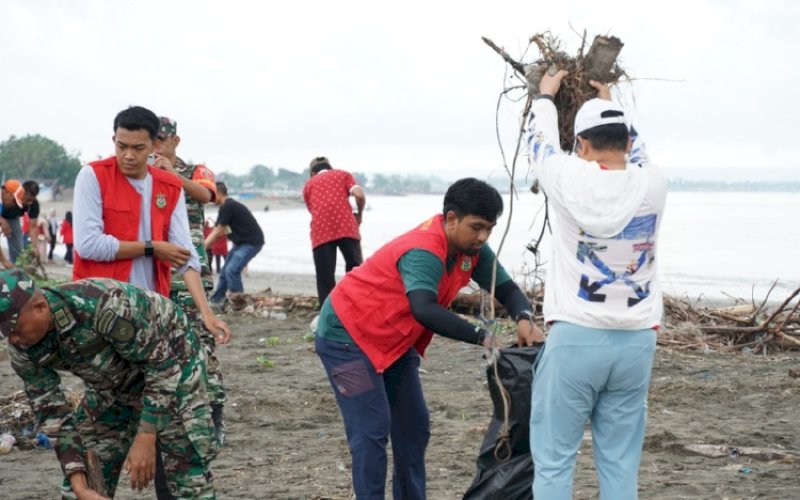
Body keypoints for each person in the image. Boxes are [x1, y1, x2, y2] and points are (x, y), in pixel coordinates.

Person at [315, 178, 543, 499]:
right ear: (451, 218)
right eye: (477, 227)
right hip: (344, 341)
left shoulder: (472, 250)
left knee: (414, 427)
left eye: (489, 229)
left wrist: (524, 319)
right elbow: (424, 309)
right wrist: (483, 337)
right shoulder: (423, 251)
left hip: (394, 341)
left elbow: (506, 290)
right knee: (371, 430)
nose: (483, 236)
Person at [72, 105, 231, 499]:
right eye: (122, 145)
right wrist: (149, 248)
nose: (129, 155)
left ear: (156, 144)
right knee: (103, 424)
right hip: (101, 316)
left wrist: (207, 314)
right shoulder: (92, 175)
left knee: (169, 416)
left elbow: (186, 255)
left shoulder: (170, 184)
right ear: (113, 140)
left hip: (152, 316)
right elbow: (89, 243)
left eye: (138, 147)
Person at [525, 72, 667, 499]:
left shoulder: (566, 176)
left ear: (581, 145)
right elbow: (636, 152)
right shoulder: (654, 183)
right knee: (621, 466)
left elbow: (540, 145)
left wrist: (545, 98)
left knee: (553, 462)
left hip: (576, 336)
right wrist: (612, 102)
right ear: (626, 141)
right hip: (637, 342)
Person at [0, 269, 217, 498]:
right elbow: (52, 412)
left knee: (188, 480)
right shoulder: (21, 348)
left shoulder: (102, 304)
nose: (12, 339)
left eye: (15, 328)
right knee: (82, 480)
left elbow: (162, 365)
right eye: (4, 332)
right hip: (112, 386)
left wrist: (146, 435)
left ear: (40, 307)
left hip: (174, 365)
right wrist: (79, 484)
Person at [152, 115, 227, 445]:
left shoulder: (196, 169)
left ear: (175, 141)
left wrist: (170, 173)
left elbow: (206, 196)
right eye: (151, 139)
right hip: (153, 269)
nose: (155, 145)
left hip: (189, 271)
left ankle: (214, 409)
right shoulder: (142, 170)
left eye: (161, 139)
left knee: (200, 340)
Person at [302, 156, 366, 306]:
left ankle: (328, 313)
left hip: (321, 231)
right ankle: (357, 304)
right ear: (330, 167)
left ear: (312, 173)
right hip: (347, 226)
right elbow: (359, 195)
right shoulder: (343, 175)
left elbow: (314, 211)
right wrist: (360, 214)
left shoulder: (308, 185)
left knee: (325, 277)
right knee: (355, 269)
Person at [204, 182, 264, 305]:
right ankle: (216, 300)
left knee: (232, 270)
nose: (209, 198)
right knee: (224, 272)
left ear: (219, 193)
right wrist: (203, 247)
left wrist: (202, 248)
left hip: (251, 242)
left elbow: (218, 232)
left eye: (211, 194)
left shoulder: (229, 206)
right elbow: (217, 231)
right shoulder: (224, 208)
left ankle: (239, 302)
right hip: (240, 244)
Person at [0, 179, 41, 263]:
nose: (29, 203)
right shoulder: (8, 195)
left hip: (12, 218)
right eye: (27, 199)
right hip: (2, 213)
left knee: (18, 248)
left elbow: (33, 226)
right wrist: (2, 221)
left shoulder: (33, 204)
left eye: (32, 200)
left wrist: (34, 247)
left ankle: (16, 268)